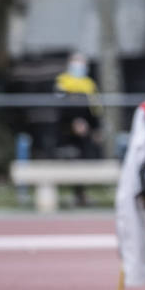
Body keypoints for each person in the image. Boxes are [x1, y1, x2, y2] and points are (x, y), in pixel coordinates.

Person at [54, 52, 103, 206]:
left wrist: (95, 128)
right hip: (65, 131)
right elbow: (59, 109)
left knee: (85, 159)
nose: (79, 66)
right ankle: (74, 194)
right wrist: (72, 124)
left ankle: (81, 195)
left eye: (82, 63)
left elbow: (96, 109)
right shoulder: (62, 83)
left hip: (85, 133)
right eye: (76, 62)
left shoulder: (89, 85)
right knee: (71, 159)